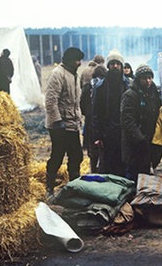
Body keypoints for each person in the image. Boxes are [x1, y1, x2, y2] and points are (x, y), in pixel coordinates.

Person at [44, 47, 84, 198]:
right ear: (69, 60)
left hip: (72, 123)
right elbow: (50, 100)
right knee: (57, 156)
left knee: (76, 156)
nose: (79, 63)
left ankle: (74, 187)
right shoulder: (57, 74)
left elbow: (75, 101)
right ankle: (49, 188)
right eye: (77, 60)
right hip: (59, 125)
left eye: (80, 60)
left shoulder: (76, 75)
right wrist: (57, 121)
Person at [91, 49, 131, 177]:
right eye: (112, 63)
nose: (115, 66)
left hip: (124, 131)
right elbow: (95, 112)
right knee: (108, 165)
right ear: (108, 66)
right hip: (107, 132)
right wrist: (97, 136)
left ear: (121, 66)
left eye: (117, 63)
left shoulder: (128, 85)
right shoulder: (100, 87)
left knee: (124, 164)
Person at [120, 64, 162, 183]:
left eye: (150, 78)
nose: (148, 81)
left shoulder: (153, 93)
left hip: (149, 140)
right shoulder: (130, 95)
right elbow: (127, 120)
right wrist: (139, 138)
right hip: (134, 143)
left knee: (145, 173)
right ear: (138, 79)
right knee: (133, 175)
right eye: (145, 78)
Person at [80, 65, 107, 173]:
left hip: (90, 121)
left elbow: (81, 104)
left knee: (92, 149)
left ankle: (93, 171)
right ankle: (102, 171)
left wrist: (87, 113)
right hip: (102, 121)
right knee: (103, 149)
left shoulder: (87, 86)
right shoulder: (105, 86)